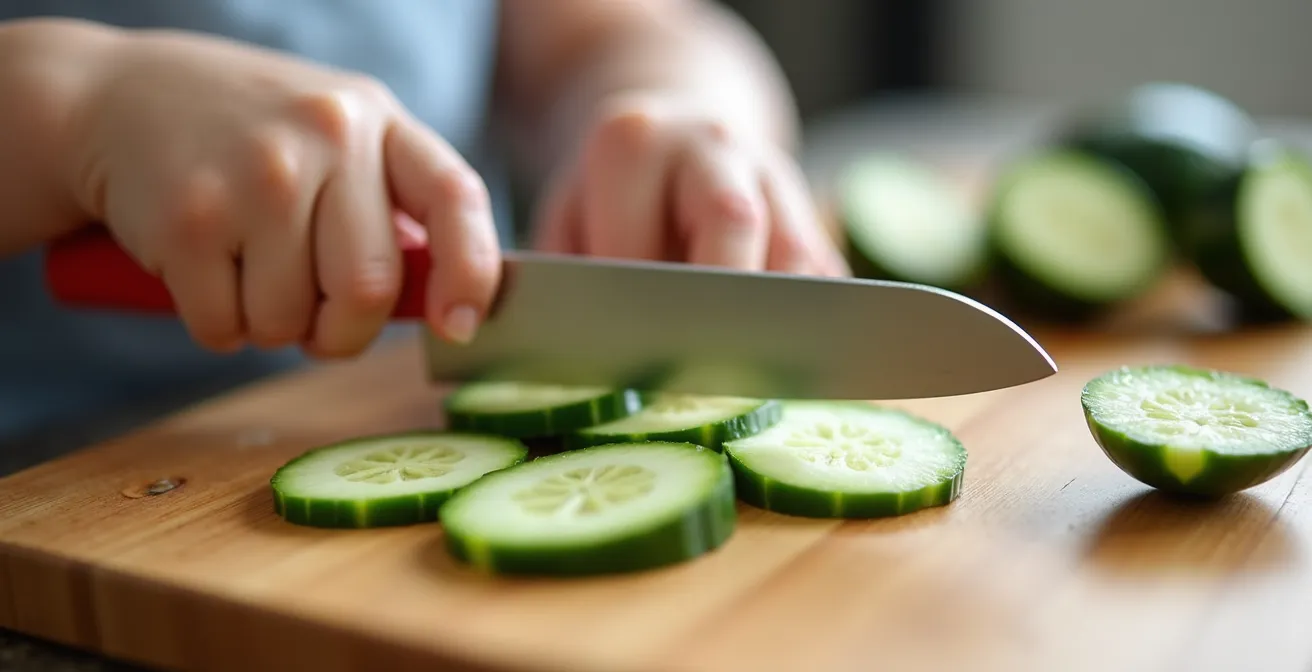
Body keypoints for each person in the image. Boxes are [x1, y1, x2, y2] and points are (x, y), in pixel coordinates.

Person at [0, 0, 847, 445]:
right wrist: (71, 105)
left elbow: (614, 29)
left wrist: (679, 104)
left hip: (405, 400)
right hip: (49, 459)